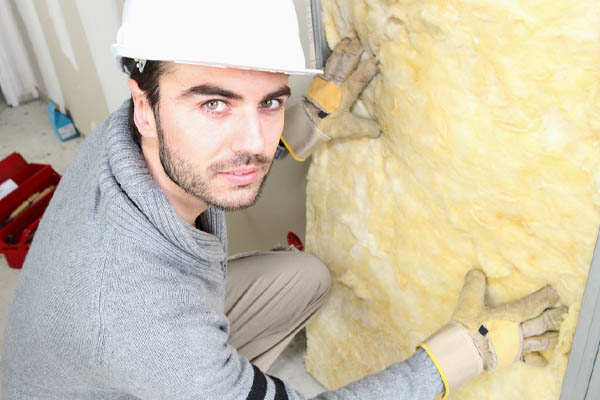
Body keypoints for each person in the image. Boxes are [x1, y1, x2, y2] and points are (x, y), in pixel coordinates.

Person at [0, 1, 566, 399]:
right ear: (146, 106)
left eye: (269, 102)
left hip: (120, 352)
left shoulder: (124, 138)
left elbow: (217, 157)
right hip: (119, 367)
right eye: (214, 104)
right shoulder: (140, 320)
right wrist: (459, 357)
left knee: (304, 278)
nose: (253, 142)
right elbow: (149, 329)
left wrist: (307, 121)